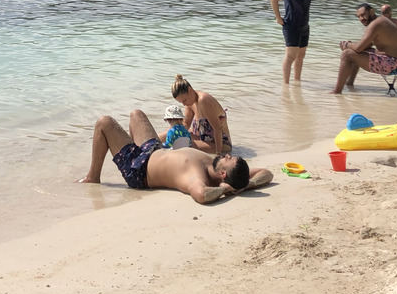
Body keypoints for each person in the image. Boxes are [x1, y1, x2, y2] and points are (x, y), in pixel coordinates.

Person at [77, 109, 273, 204]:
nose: (229, 155)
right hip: (153, 150)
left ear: (223, 174)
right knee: (137, 114)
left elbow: (202, 196)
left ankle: (93, 177)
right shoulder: (217, 165)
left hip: (139, 169)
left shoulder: (197, 178)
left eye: (229, 160)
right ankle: (126, 146)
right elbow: (267, 173)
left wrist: (225, 190)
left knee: (104, 123)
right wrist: (245, 185)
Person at [331, 2, 397, 94]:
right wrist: (352, 46)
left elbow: (359, 48)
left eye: (363, 15)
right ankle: (349, 84)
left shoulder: (376, 24)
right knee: (353, 52)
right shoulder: (381, 21)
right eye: (358, 17)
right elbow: (363, 47)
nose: (361, 19)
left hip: (394, 65)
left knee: (347, 54)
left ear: (371, 11)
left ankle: (337, 92)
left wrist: (347, 44)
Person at [270, 0, 316, 84]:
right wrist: (278, 18)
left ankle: (297, 82)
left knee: (301, 56)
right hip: (292, 26)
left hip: (304, 26)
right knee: (291, 57)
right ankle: (286, 84)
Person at [171, 74, 231, 155]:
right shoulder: (190, 102)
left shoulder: (203, 100)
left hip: (220, 143)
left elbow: (217, 129)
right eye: (181, 102)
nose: (184, 104)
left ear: (190, 90)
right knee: (171, 135)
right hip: (203, 138)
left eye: (184, 100)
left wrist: (218, 154)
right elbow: (186, 124)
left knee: (181, 145)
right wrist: (173, 133)